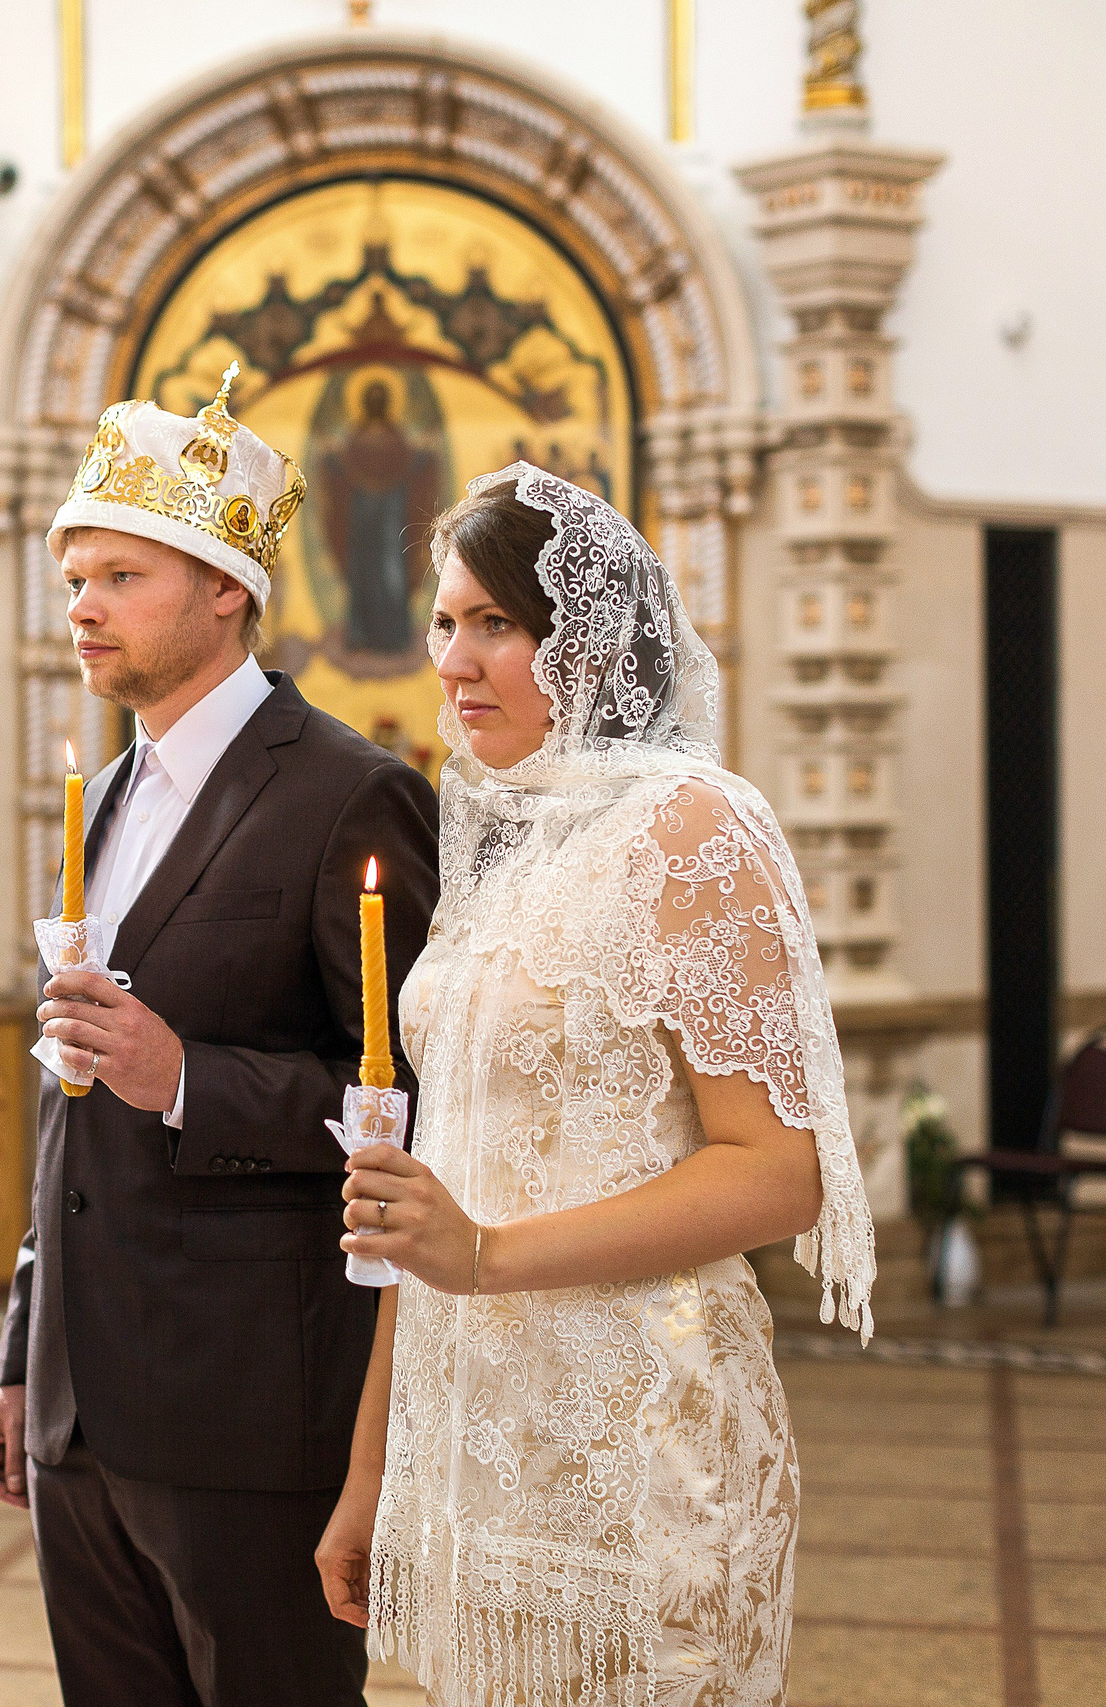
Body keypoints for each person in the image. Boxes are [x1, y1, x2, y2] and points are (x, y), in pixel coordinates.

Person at [314, 464, 877, 1706]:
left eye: (496, 625)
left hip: (641, 1437)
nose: (454, 661)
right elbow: (437, 1195)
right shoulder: (502, 842)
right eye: (445, 623)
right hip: (476, 1445)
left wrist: (489, 1255)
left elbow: (776, 1172)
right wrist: (372, 1473)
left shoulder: (689, 828)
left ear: (592, 637)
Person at [0, 368, 440, 1707]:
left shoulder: (354, 792)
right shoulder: (98, 796)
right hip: (77, 1413)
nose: (82, 606)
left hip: (249, 1410)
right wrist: (20, 1359)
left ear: (226, 585)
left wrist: (188, 1079)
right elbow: (71, 1106)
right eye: (74, 579)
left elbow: (419, 1107)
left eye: (120, 574)